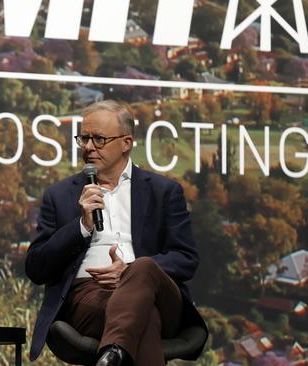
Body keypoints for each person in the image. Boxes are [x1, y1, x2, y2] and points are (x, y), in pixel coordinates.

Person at [25, 100, 207, 366]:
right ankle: (114, 354)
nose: (88, 147)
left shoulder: (164, 191)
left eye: (98, 139)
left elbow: (186, 258)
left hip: (159, 291)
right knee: (145, 319)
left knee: (143, 268)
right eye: (83, 138)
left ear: (126, 142)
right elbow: (36, 268)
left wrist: (129, 272)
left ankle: (113, 353)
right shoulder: (60, 195)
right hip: (89, 296)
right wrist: (81, 226)